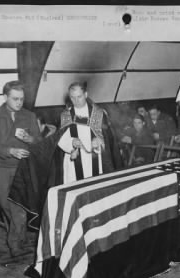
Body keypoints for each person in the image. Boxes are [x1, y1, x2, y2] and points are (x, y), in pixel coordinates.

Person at [8, 82, 123, 229]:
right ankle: (76, 226)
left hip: (95, 160)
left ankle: (96, 223)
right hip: (72, 162)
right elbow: (59, 139)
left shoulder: (99, 114)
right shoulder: (66, 115)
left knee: (94, 193)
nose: (76, 101)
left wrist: (99, 140)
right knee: (74, 195)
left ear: (86, 95)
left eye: (79, 97)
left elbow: (108, 138)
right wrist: (71, 142)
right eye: (73, 97)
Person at [0, 80, 42, 256]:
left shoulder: (29, 116)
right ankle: (20, 233)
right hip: (1, 167)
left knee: (19, 208)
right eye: (15, 99)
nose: (19, 103)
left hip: (23, 168)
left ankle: (15, 244)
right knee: (4, 204)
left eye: (22, 99)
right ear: (5, 97)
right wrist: (9, 151)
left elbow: (39, 142)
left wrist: (30, 139)